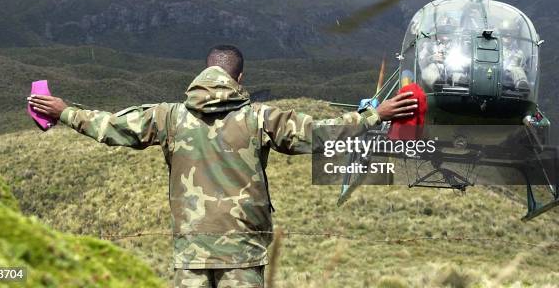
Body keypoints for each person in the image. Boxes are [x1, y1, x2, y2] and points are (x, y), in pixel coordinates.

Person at [27, 45, 417, 288]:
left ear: (202, 74)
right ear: (240, 78)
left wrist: (65, 111)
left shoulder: (168, 117)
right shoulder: (262, 117)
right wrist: (374, 115)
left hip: (190, 251)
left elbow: (111, 128)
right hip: (244, 251)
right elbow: (318, 135)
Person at [499, 19, 530, 91]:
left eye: (511, 33)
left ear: (514, 34)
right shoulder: (494, 48)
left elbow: (525, 68)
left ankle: (522, 85)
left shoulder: (519, 53)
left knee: (517, 69)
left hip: (511, 83)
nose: (508, 35)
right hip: (496, 75)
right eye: (505, 32)